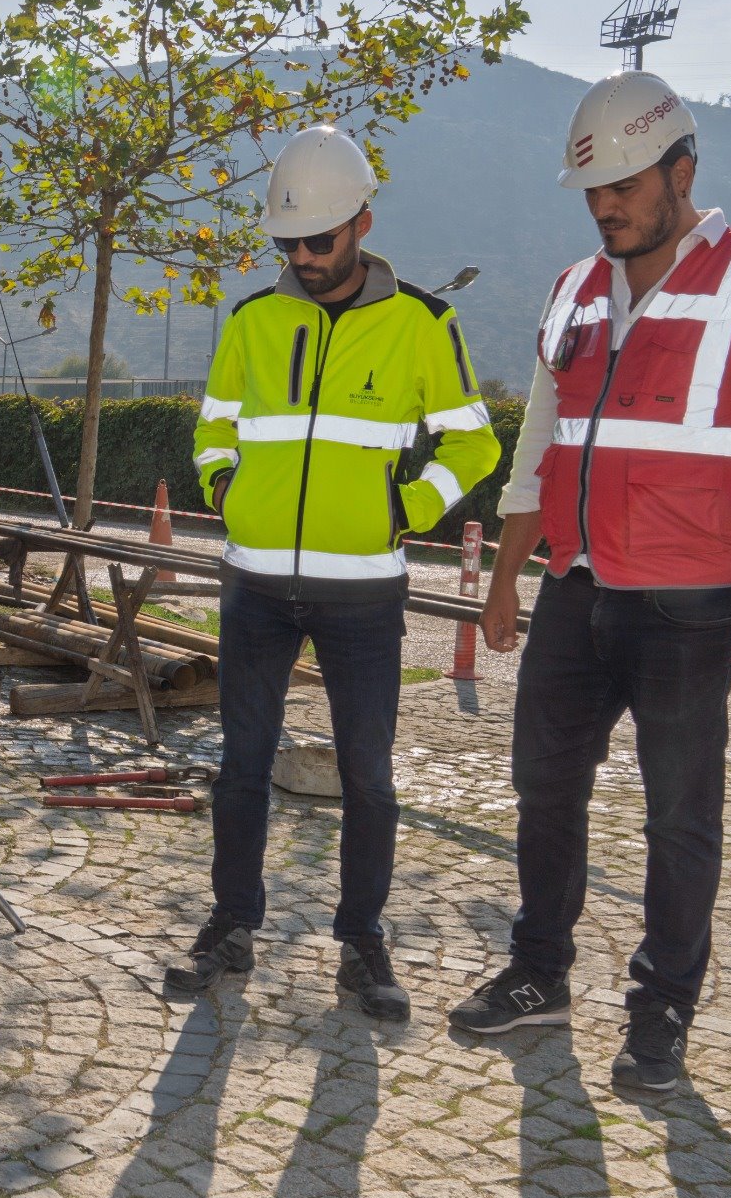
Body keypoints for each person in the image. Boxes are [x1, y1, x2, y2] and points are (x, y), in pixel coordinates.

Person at [451, 72, 731, 1094]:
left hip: (692, 601)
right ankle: (539, 973)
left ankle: (661, 1007)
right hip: (576, 588)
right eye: (592, 191)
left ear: (681, 170)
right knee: (542, 790)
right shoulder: (574, 288)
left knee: (678, 814)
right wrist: (506, 576)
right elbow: (542, 440)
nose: (607, 204)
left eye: (625, 182)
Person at [168, 125, 499, 1018]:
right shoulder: (250, 320)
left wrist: (407, 508)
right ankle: (231, 924)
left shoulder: (424, 326)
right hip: (255, 586)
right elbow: (213, 428)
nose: (304, 258)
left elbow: (475, 442)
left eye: (319, 240)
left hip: (362, 592)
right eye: (288, 243)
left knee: (368, 775)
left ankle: (362, 941)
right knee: (240, 764)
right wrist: (225, 487)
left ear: (362, 222)